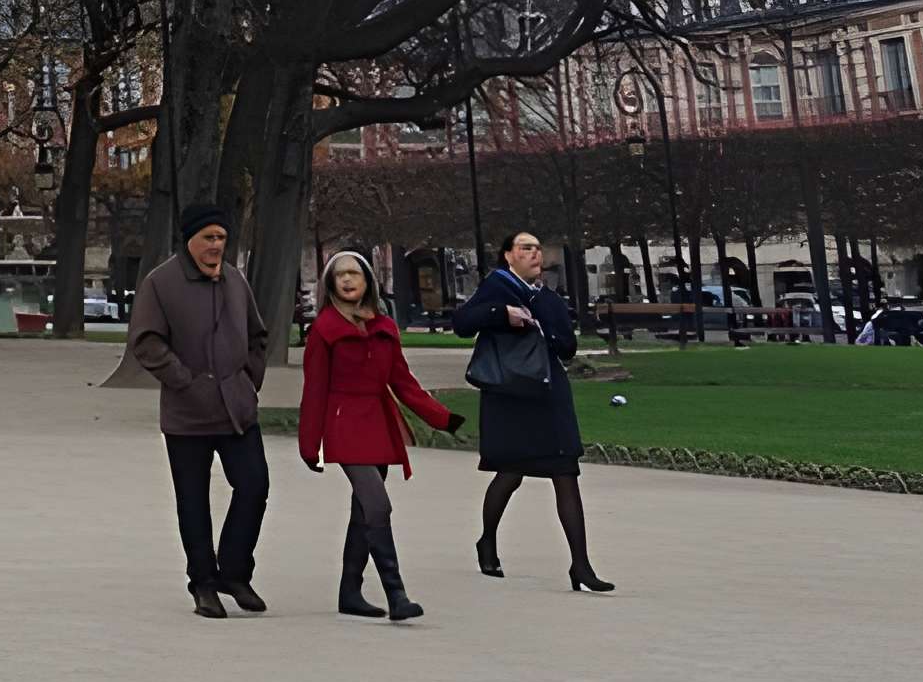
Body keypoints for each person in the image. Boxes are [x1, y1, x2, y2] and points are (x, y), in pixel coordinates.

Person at [126, 203, 271, 617]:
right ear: (190, 240)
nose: (215, 246)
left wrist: (248, 381)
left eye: (221, 238)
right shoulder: (160, 283)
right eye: (208, 238)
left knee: (255, 487)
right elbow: (147, 341)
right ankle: (203, 583)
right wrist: (184, 381)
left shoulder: (235, 280)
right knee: (193, 501)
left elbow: (258, 336)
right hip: (187, 414)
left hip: (237, 410)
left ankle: (235, 571)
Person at [297, 252, 459, 622]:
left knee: (363, 512)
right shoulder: (324, 330)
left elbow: (403, 383)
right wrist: (310, 444)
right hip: (343, 423)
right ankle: (396, 593)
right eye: (341, 276)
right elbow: (315, 390)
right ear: (330, 284)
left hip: (378, 422)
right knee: (378, 506)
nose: (349, 280)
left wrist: (443, 419)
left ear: (368, 280)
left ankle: (349, 591)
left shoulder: (385, 326)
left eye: (355, 274)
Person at [453, 230, 612, 592]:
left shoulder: (549, 298)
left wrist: (543, 323)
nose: (535, 254)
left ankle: (581, 565)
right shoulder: (497, 287)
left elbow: (568, 348)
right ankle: (487, 540)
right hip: (510, 393)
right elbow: (462, 324)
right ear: (508, 255)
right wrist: (501, 315)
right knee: (510, 473)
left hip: (548, 392)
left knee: (566, 473)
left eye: (538, 249)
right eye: (526, 248)